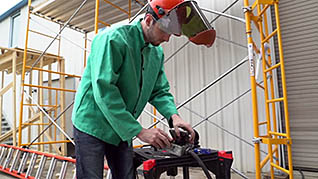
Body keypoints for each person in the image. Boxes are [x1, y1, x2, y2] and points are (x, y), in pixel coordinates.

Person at [72, 0, 215, 178]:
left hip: (121, 126)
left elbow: (159, 90)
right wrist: (140, 131)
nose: (166, 39)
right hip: (92, 123)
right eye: (164, 31)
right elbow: (105, 90)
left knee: (126, 175)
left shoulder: (156, 53)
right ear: (148, 20)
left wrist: (174, 117)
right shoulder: (113, 39)